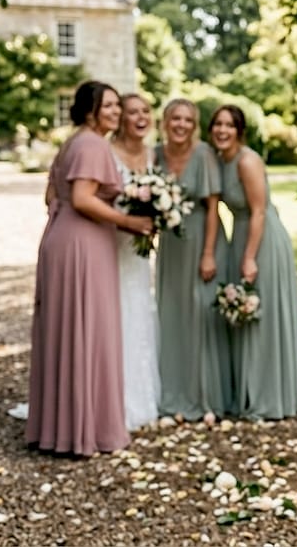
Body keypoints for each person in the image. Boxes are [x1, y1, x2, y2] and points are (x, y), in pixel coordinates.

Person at [26, 80, 153, 457]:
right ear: (89, 110)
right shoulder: (93, 144)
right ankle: (85, 431)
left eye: (118, 106)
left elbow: (53, 195)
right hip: (84, 245)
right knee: (89, 331)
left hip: (63, 239)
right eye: (109, 106)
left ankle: (59, 429)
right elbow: (82, 198)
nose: (116, 112)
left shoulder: (72, 142)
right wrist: (128, 222)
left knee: (67, 331)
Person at [209, 104, 297, 420]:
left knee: (261, 315)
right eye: (218, 125)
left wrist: (249, 257)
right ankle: (248, 391)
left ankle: (270, 396)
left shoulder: (247, 160)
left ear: (240, 131)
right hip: (240, 235)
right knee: (243, 315)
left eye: (229, 125)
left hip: (262, 238)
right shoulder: (219, 160)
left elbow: (260, 211)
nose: (222, 131)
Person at [154, 98, 234, 421]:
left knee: (200, 315)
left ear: (195, 125)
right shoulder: (156, 155)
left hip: (203, 241)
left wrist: (208, 254)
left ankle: (205, 397)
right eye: (175, 118)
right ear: (165, 121)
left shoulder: (203, 155)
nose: (181, 125)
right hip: (171, 247)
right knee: (171, 315)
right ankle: (172, 391)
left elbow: (213, 208)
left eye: (187, 119)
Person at [110, 93, 162, 431]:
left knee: (139, 307)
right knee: (113, 312)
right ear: (121, 118)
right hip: (110, 242)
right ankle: (111, 396)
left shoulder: (154, 154)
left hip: (138, 247)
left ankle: (141, 394)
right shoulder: (105, 151)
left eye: (146, 111)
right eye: (132, 112)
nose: (140, 117)